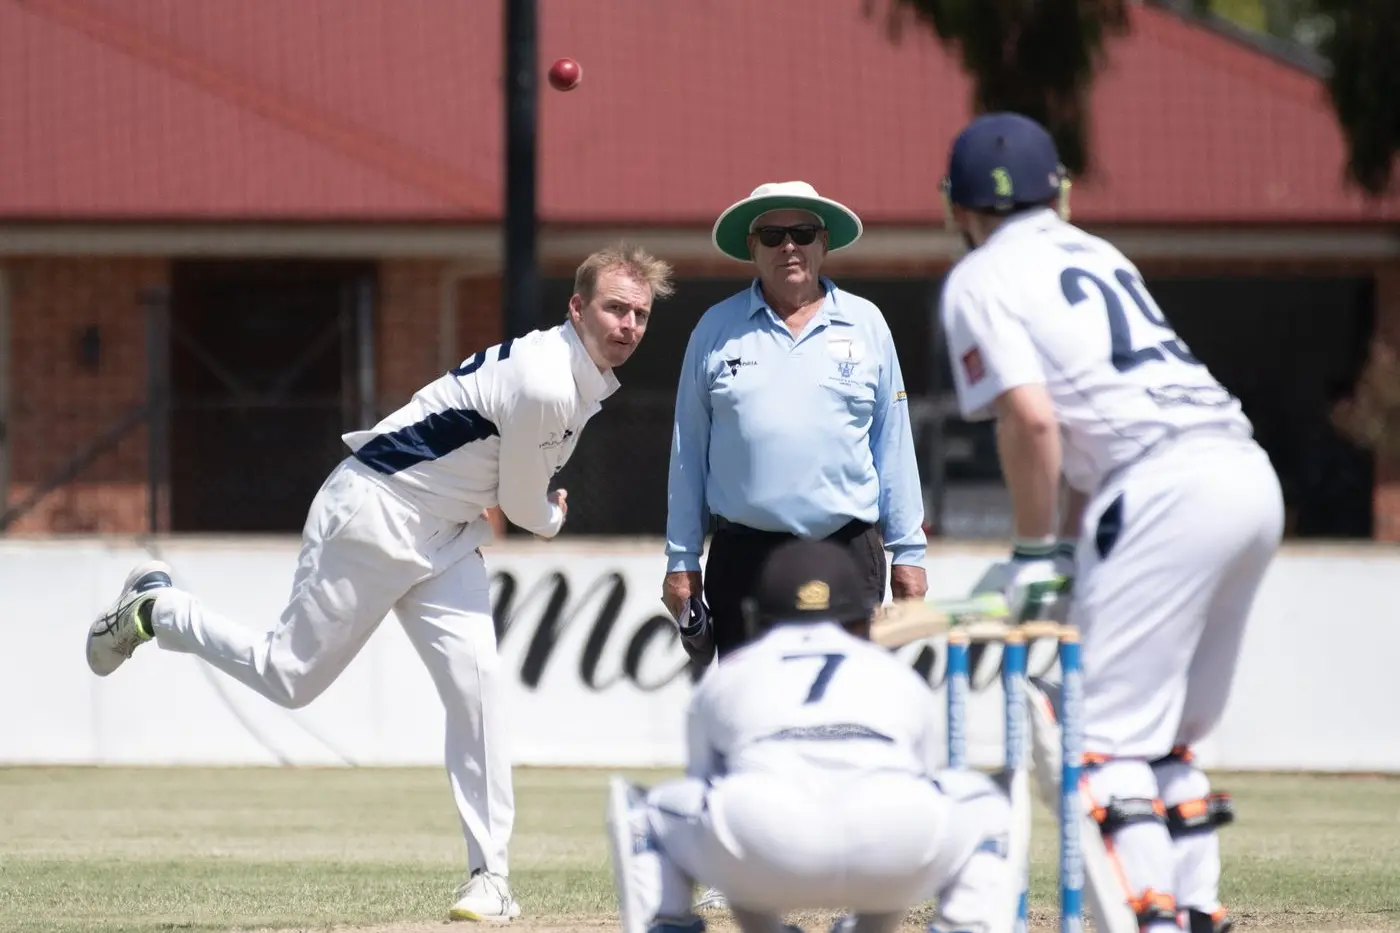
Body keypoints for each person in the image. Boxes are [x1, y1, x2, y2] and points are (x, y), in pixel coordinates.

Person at [85, 243, 675, 923]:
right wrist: (551, 516)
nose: (628, 324)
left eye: (639, 314)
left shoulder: (572, 373)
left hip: (444, 535)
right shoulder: (548, 378)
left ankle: (491, 877)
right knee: (290, 677)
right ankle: (160, 609)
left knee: (477, 687)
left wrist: (531, 508)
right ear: (578, 307)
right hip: (376, 510)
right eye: (614, 308)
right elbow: (520, 505)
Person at [938, 112, 1282, 933]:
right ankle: (1195, 910)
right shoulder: (1100, 252)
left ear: (955, 207)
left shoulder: (980, 277)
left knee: (1093, 735)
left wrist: (1034, 552)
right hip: (1244, 472)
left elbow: (1033, 422)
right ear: (1060, 190)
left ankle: (1153, 921)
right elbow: (1092, 426)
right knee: (1169, 738)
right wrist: (1068, 546)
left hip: (1161, 491)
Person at [607, 538, 1017, 933]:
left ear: (756, 618)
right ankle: (963, 924)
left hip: (761, 847)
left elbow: (711, 790)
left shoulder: (729, 677)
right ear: (863, 618)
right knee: (993, 801)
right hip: (891, 847)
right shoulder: (898, 678)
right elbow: (918, 784)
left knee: (645, 810)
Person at [663, 180, 929, 667]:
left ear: (823, 243)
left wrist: (908, 552)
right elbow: (687, 454)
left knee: (847, 708)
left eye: (803, 232)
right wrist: (681, 561)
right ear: (752, 247)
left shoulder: (868, 324)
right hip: (744, 558)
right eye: (772, 235)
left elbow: (893, 443)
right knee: (751, 711)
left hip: (847, 551)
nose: (789, 246)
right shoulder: (714, 330)